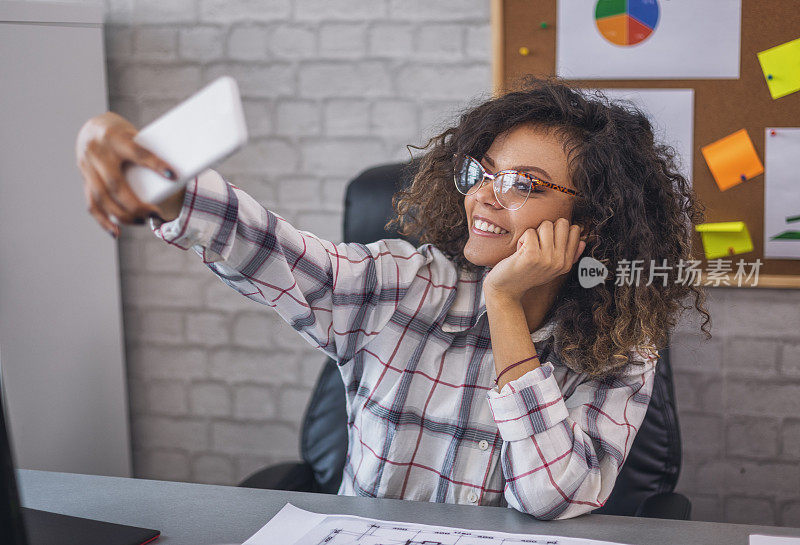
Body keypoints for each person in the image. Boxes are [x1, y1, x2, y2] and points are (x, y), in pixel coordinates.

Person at [75, 76, 709, 520]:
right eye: (481, 172)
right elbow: (271, 250)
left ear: (589, 223)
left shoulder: (623, 348)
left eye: (523, 185)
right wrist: (149, 176)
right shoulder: (407, 285)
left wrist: (505, 306)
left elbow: (551, 497)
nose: (485, 197)